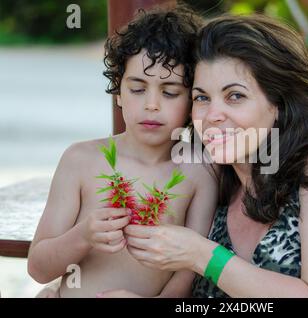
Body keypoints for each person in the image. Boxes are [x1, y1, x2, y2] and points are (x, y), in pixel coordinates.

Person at [101, 14, 308, 298]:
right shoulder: (215, 183)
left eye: (235, 96)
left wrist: (203, 255)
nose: (212, 115)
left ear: (278, 103)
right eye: (202, 97)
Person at [27, 6, 218, 298]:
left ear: (193, 99)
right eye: (137, 89)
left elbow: (187, 274)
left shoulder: (200, 171)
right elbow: (39, 269)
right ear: (118, 92)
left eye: (169, 92)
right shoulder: (81, 161)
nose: (151, 104)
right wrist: (83, 236)